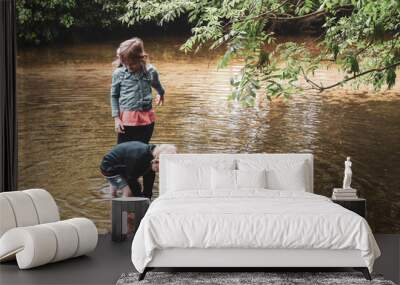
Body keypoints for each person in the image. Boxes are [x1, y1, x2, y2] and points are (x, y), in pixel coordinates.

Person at [111, 37, 165, 144]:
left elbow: (157, 85)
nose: (129, 67)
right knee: (123, 150)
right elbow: (114, 96)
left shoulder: (150, 71)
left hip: (146, 120)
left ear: (141, 58)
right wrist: (116, 119)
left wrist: (161, 93)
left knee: (142, 149)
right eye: (126, 64)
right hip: (125, 120)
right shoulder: (119, 73)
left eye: (132, 64)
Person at [100, 142, 177, 198]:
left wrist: (147, 197)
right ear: (157, 161)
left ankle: (112, 197)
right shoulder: (139, 159)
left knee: (114, 193)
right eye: (162, 166)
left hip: (121, 164)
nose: (160, 170)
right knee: (128, 193)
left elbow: (149, 178)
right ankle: (124, 214)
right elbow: (131, 179)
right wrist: (139, 197)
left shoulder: (152, 153)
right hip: (109, 167)